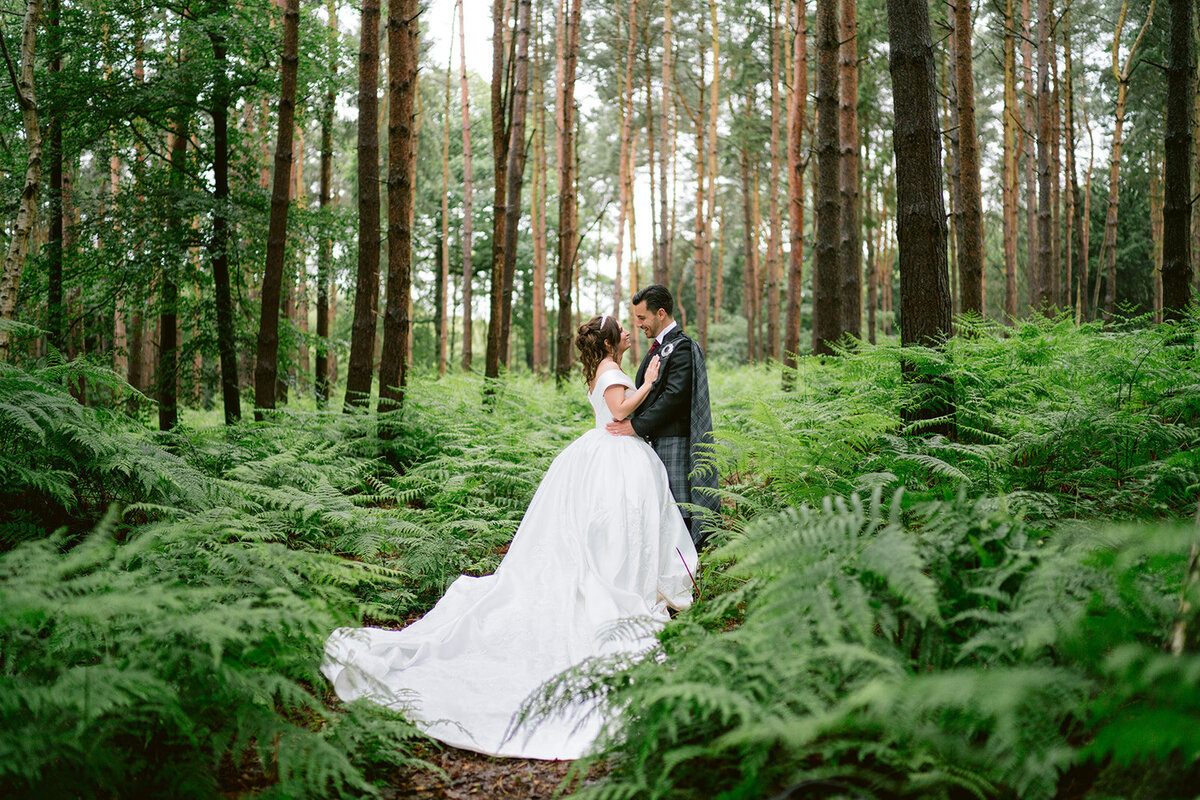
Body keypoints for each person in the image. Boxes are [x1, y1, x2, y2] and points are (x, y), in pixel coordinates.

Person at [321, 315, 699, 761]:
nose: (631, 335)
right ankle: (623, 586)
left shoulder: (601, 370)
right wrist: (651, 381)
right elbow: (619, 412)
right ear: (614, 341)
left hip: (603, 452)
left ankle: (627, 579)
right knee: (612, 530)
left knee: (612, 528)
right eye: (624, 330)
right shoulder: (613, 372)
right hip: (612, 453)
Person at [607, 285, 720, 546]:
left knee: (678, 506)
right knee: (662, 504)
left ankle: (689, 562)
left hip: (675, 440)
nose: (637, 324)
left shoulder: (680, 347)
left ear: (660, 313)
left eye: (642, 318)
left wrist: (635, 426)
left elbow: (673, 398)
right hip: (656, 439)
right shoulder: (661, 347)